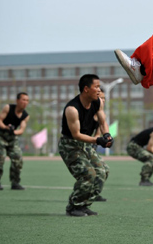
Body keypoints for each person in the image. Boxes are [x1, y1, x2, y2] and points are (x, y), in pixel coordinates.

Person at [59, 74, 114, 217]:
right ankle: (73, 207)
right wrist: (97, 141)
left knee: (103, 171)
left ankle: (84, 205)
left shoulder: (97, 102)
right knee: (88, 174)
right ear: (86, 89)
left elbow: (102, 122)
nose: (99, 90)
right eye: (96, 86)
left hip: (85, 145)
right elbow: (76, 134)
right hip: (70, 145)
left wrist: (106, 135)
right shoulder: (72, 109)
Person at [0, 92, 30, 190]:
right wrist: (6, 127)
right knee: (1, 158)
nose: (25, 102)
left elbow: (21, 130)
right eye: (23, 100)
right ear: (17, 101)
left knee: (18, 159)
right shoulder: (8, 108)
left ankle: (15, 183)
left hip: (12, 138)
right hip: (0, 136)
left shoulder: (25, 115)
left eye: (27, 100)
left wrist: (14, 132)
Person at [90, 89, 111, 202]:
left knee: (105, 170)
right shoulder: (85, 111)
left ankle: (95, 193)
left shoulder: (102, 114)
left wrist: (106, 139)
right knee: (88, 173)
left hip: (90, 146)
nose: (102, 100)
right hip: (78, 146)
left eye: (103, 98)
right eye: (100, 98)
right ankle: (80, 198)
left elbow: (98, 133)